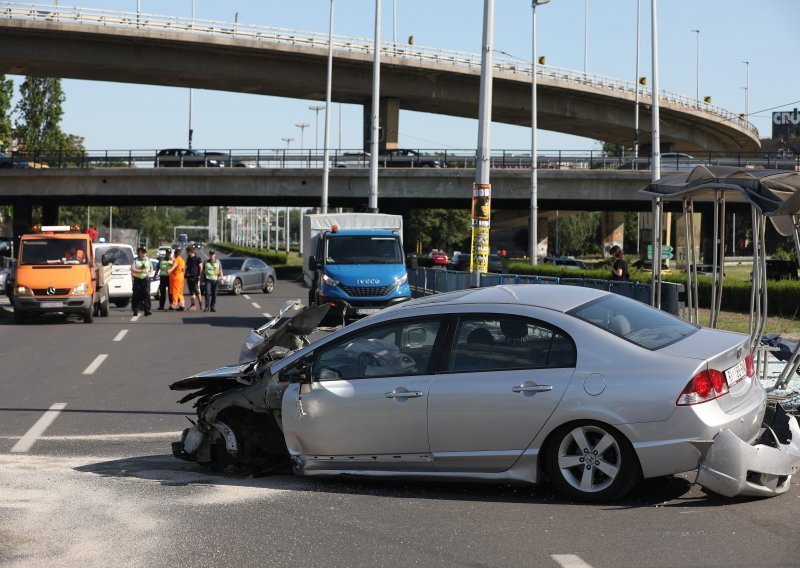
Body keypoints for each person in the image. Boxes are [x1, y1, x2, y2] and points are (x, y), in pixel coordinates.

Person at [131, 247, 152, 316]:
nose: (144, 254)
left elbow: (151, 268)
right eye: (142, 252)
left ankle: (147, 310)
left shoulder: (148, 259)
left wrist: (150, 273)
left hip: (146, 279)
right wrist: (140, 271)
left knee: (147, 294)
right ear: (139, 253)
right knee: (136, 295)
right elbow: (132, 269)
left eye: (145, 252)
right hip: (137, 280)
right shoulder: (135, 260)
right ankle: (135, 310)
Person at [184, 247, 204, 311]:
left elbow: (201, 267)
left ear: (190, 251)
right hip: (189, 276)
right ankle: (193, 305)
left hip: (195, 277)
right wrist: (185, 274)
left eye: (187, 252)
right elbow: (186, 267)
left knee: (196, 291)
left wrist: (199, 275)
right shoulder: (188, 258)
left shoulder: (198, 258)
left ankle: (201, 304)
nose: (186, 253)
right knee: (191, 292)